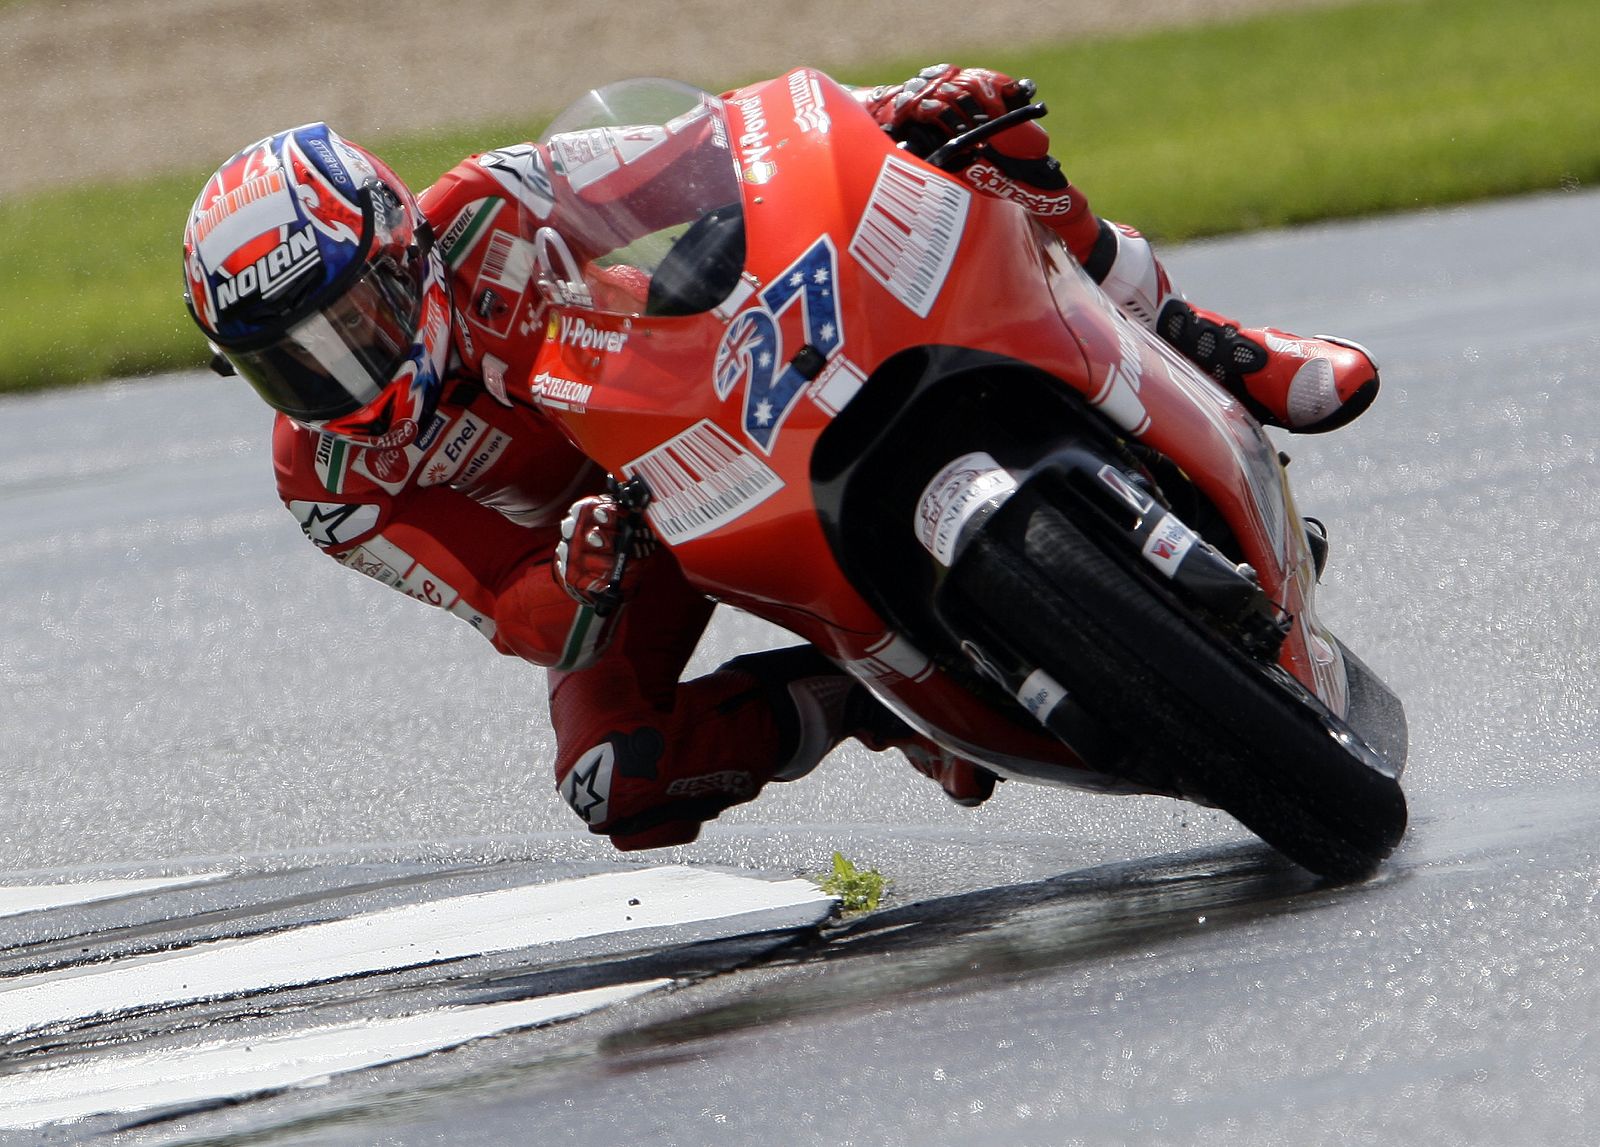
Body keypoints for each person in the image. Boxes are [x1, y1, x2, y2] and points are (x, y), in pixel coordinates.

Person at [180, 65, 1380, 851]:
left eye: (355, 326)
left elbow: (719, 148)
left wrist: (887, 104)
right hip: (622, 538)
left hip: (696, 380)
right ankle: (871, 696)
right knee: (613, 778)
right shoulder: (327, 486)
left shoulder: (494, 204)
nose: (347, 377)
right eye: (296, 364)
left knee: (973, 143)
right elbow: (515, 612)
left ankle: (1207, 344)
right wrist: (583, 572)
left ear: (403, 253)